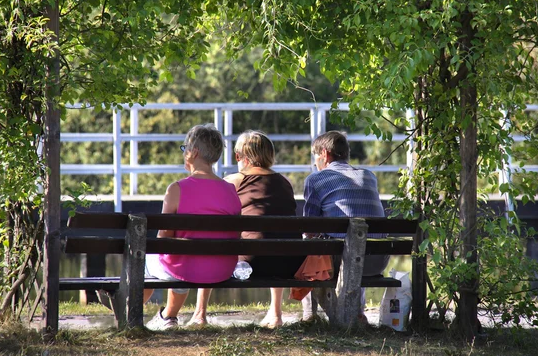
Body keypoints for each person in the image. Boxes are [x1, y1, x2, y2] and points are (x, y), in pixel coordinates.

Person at [188, 130, 305, 328]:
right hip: (288, 263)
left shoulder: (233, 181)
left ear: (238, 156)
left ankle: (200, 313)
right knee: (275, 240)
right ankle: (276, 314)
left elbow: (215, 222)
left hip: (250, 264)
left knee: (212, 241)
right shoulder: (285, 182)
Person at [144, 124, 242, 331]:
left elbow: (163, 240)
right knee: (179, 258)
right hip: (221, 269)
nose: (184, 153)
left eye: (184, 148)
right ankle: (167, 316)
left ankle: (143, 314)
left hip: (185, 268)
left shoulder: (176, 189)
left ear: (194, 152)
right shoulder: (230, 190)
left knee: (147, 258)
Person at [301, 130, 387, 324]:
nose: (316, 163)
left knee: (309, 245)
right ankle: (357, 312)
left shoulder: (315, 179)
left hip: (343, 263)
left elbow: (310, 228)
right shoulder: (369, 176)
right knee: (358, 244)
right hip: (376, 261)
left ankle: (310, 315)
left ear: (324, 154)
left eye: (316, 157)